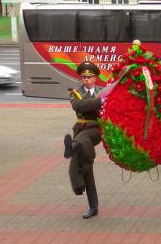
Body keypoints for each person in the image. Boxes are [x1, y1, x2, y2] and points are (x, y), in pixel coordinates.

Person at [63, 61, 103, 219]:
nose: (86, 79)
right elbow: (79, 106)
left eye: (90, 77)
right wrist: (100, 102)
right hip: (80, 128)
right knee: (86, 167)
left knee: (82, 141)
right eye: (84, 77)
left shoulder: (102, 90)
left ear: (95, 78)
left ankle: (73, 146)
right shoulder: (75, 92)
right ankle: (93, 206)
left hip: (96, 129)